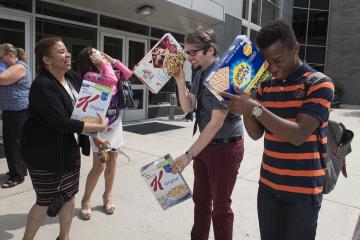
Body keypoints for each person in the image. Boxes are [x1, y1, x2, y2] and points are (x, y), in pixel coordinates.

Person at [220, 20, 334, 240]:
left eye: (278, 60)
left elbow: (299, 134)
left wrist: (254, 107)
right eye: (267, 62)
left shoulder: (319, 84)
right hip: (269, 187)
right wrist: (244, 105)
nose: (272, 68)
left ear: (295, 48)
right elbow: (255, 134)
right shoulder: (266, 86)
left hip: (302, 191)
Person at [21, 37, 108, 240]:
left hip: (67, 149)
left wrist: (96, 138)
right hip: (42, 153)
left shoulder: (72, 78)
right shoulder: (42, 86)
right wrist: (99, 126)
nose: (68, 54)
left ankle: (64, 237)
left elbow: (83, 113)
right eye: (61, 51)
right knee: (45, 200)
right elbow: (61, 122)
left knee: (69, 195)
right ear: (47, 60)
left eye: (67, 50)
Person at [171, 27, 244, 240]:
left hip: (225, 147)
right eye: (187, 52)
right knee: (201, 201)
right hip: (206, 145)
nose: (188, 56)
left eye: (193, 52)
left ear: (210, 50)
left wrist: (188, 155)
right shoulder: (201, 72)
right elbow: (188, 107)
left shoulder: (222, 74)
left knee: (220, 208)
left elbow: (216, 122)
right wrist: (179, 79)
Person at [77, 47, 132, 220]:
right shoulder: (89, 76)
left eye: (100, 52)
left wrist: (113, 61)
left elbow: (128, 74)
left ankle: (107, 195)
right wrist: (103, 65)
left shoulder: (110, 70)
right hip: (97, 126)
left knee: (112, 161)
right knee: (99, 164)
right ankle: (86, 199)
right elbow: (109, 81)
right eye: (96, 53)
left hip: (114, 123)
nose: (101, 54)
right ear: (90, 59)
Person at [0, 43, 31, 188]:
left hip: (17, 111)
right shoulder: (12, 66)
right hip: (12, 110)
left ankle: (17, 176)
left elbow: (2, 79)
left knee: (13, 144)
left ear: (11, 55)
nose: (0, 60)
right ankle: (20, 170)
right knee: (15, 142)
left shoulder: (19, 67)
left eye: (1, 57)